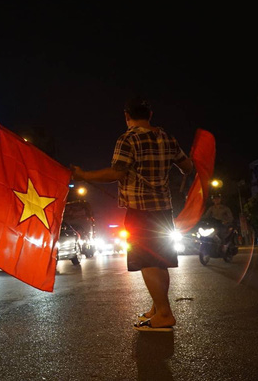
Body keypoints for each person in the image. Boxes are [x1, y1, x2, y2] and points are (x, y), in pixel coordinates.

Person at [71, 96, 193, 332]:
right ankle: (158, 308)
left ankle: (165, 314)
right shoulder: (167, 137)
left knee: (147, 262)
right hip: (163, 209)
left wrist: (84, 174)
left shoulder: (128, 138)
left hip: (140, 209)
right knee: (159, 261)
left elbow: (116, 173)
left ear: (127, 116)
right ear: (150, 115)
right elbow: (187, 167)